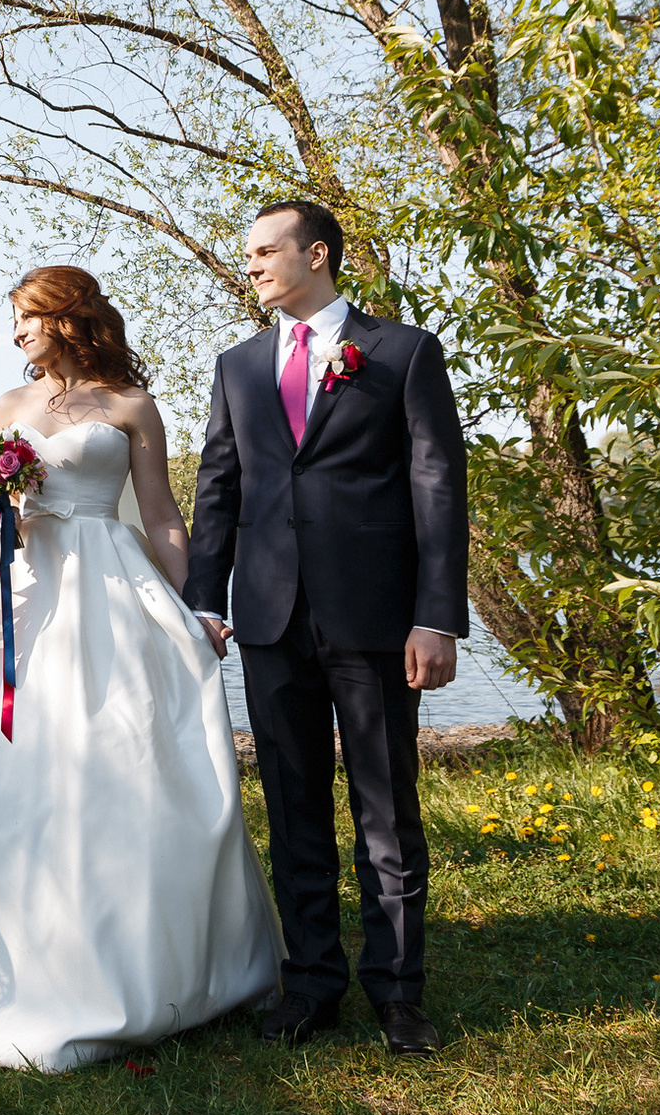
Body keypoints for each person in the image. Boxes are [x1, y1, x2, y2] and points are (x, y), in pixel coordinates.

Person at [0, 266, 279, 1071]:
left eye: (25, 318)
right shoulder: (11, 408)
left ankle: (135, 967)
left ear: (69, 317)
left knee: (116, 753)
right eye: (12, 322)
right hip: (18, 593)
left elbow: (161, 517)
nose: (15, 334)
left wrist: (200, 610)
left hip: (108, 584)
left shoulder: (131, 407)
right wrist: (1, 509)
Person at [182, 200, 468, 1056]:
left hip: (377, 618)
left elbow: (437, 485)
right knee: (295, 806)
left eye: (267, 251)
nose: (254, 266)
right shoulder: (237, 366)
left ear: (317, 254)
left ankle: (399, 993)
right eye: (248, 255)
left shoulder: (403, 353)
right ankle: (310, 984)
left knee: (386, 810)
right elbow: (217, 487)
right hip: (269, 622)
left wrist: (436, 617)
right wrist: (208, 600)